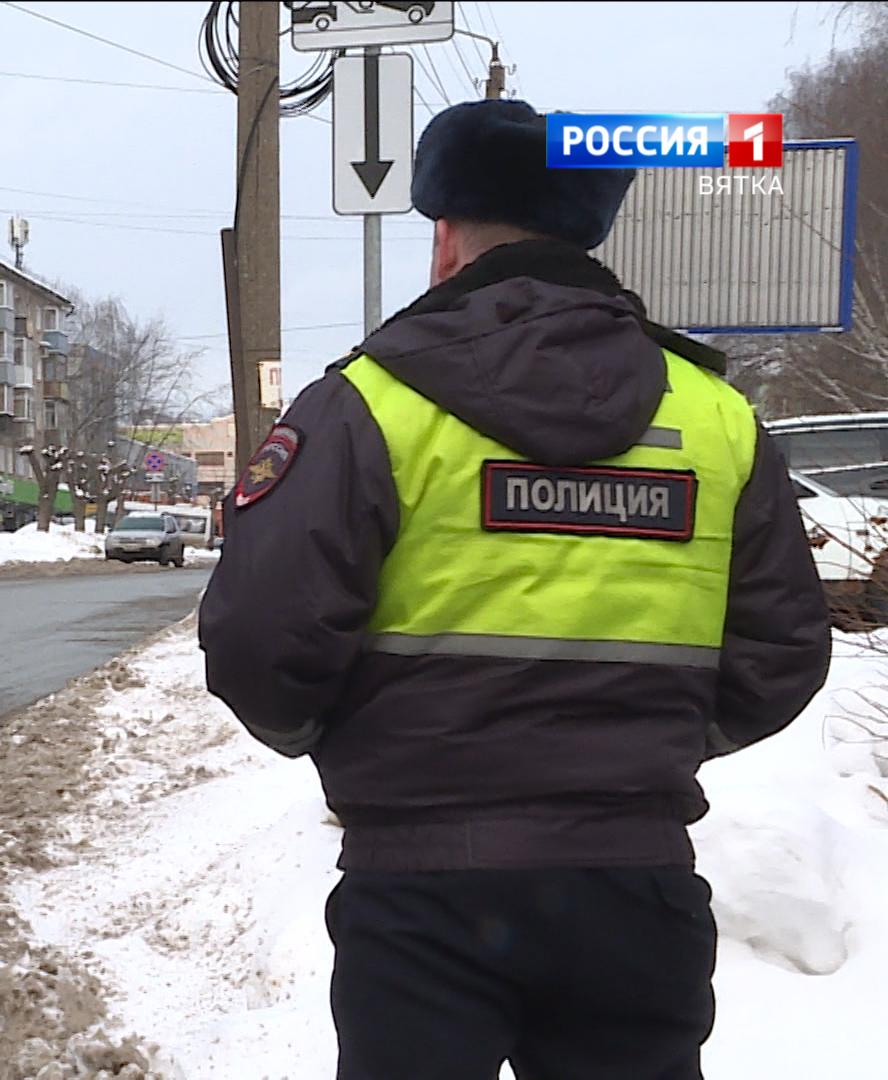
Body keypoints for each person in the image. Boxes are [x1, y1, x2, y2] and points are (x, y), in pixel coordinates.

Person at [198, 99, 831, 1079]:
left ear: (446, 238)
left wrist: (354, 745)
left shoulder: (367, 406)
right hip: (636, 884)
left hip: (419, 897)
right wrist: (641, 747)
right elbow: (782, 649)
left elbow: (258, 638)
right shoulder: (717, 418)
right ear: (590, 230)